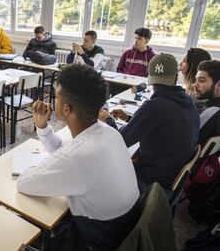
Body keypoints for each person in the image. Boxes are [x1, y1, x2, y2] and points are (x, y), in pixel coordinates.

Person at [17, 64, 140, 250]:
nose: (53, 101)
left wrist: (46, 165)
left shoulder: (80, 156)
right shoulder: (107, 132)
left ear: (66, 109)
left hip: (94, 240)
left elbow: (24, 182)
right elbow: (63, 149)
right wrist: (42, 126)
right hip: (120, 229)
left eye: (56, 97)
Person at [100, 54, 199, 194]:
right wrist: (130, 119)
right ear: (176, 77)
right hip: (172, 180)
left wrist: (108, 119)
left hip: (153, 183)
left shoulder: (155, 106)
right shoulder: (189, 103)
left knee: (102, 168)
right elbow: (162, 127)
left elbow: (120, 142)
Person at [193, 60, 220, 145]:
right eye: (196, 80)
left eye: (201, 81)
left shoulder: (212, 112)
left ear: (218, 85)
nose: (195, 85)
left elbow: (186, 140)